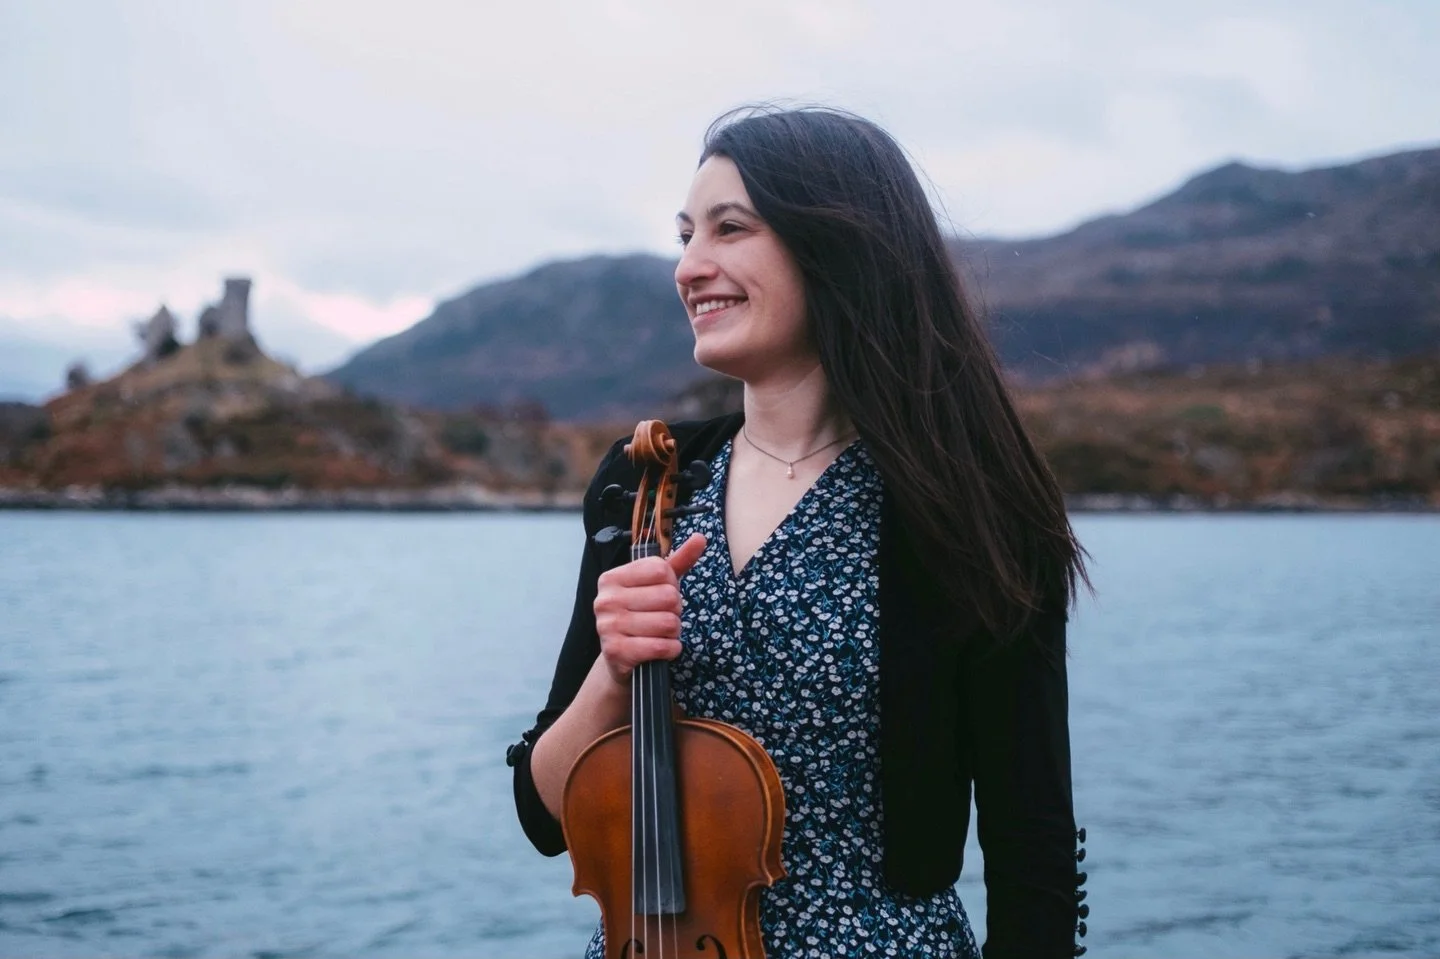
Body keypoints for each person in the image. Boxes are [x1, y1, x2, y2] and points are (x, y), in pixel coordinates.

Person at [507, 106, 1091, 959]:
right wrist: (611, 670)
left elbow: (1031, 845)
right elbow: (543, 816)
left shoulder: (967, 508)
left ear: (837, 246)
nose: (689, 267)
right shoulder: (645, 481)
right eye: (683, 236)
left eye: (729, 229)